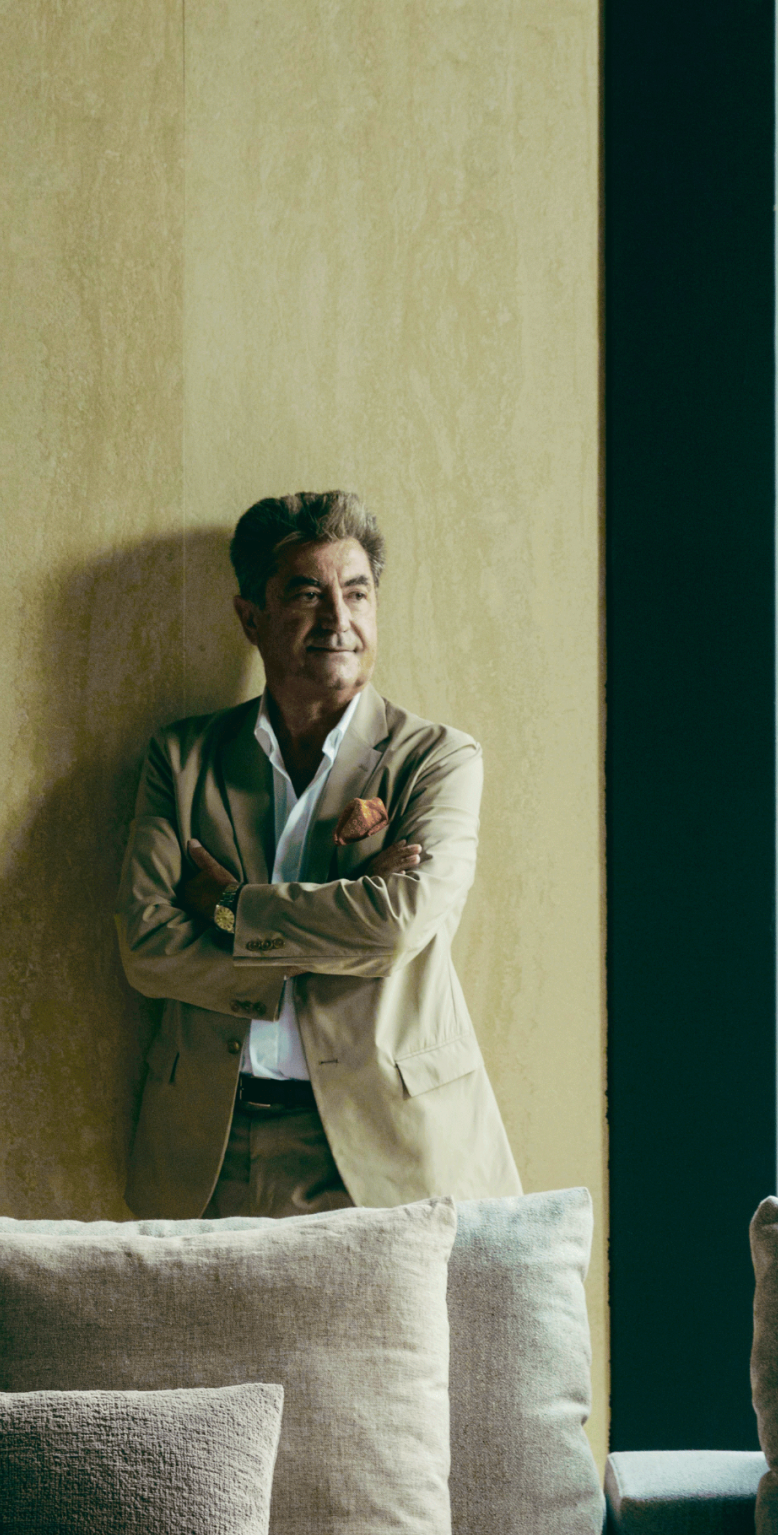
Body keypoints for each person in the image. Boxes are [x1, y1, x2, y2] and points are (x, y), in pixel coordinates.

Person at [116, 490, 521, 1218]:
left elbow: (394, 926)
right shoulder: (180, 759)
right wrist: (341, 919)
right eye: (307, 594)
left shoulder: (438, 758)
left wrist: (231, 910)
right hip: (209, 1151)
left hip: (394, 1147)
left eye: (357, 593)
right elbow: (147, 946)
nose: (339, 620)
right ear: (251, 618)